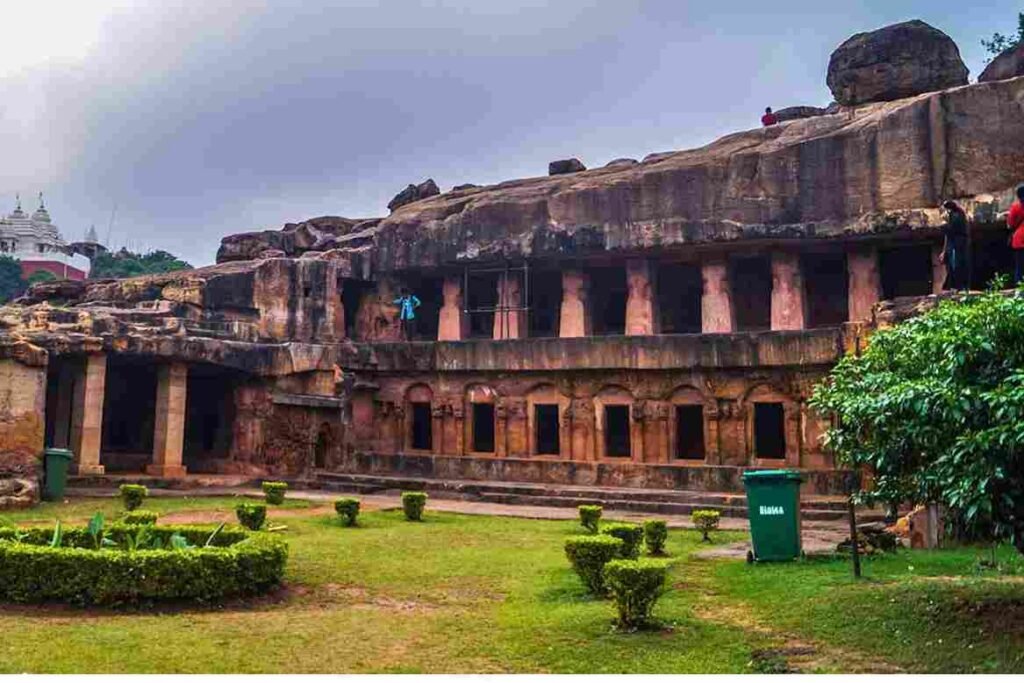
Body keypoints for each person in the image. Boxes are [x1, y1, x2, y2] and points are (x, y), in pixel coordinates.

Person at [939, 200, 969, 291]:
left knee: (956, 265)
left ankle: (957, 286)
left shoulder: (957, 215)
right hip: (953, 244)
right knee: (952, 265)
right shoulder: (955, 214)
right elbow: (948, 236)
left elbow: (951, 230)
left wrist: (944, 224)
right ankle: (953, 285)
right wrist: (944, 251)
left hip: (957, 245)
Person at [1010, 185, 1024, 284]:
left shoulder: (1016, 207)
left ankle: (1019, 287)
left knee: (1019, 267)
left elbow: (1011, 223)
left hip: (1019, 241)